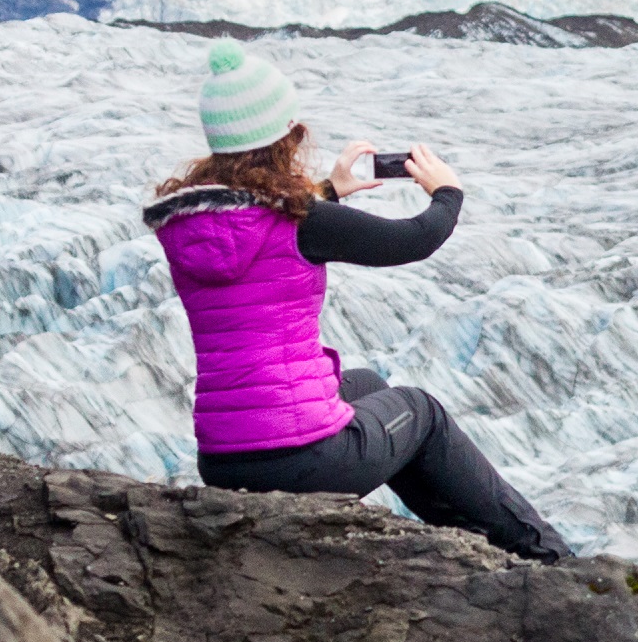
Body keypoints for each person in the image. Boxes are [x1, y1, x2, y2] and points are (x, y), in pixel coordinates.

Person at [144, 39, 567, 561]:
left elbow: (259, 226)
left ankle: (466, 543)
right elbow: (412, 239)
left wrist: (329, 190)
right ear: (287, 136)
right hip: (299, 460)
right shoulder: (303, 222)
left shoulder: (191, 223)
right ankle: (543, 555)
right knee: (422, 412)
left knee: (366, 386)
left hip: (226, 459)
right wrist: (447, 193)